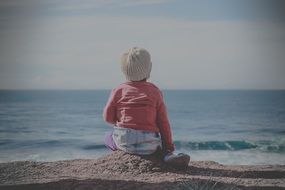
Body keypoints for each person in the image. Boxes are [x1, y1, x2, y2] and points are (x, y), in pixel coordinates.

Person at [103, 47, 190, 167]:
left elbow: (107, 118)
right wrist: (169, 147)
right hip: (149, 145)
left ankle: (121, 152)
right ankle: (167, 156)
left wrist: (120, 122)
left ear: (123, 70)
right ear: (149, 68)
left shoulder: (118, 90)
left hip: (124, 140)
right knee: (160, 150)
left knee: (107, 137)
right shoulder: (155, 91)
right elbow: (163, 123)